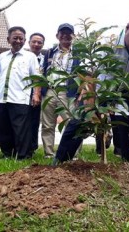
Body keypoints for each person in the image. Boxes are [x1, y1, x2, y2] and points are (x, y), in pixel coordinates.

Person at [54, 11, 129, 164]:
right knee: (80, 121)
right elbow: (89, 74)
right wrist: (90, 108)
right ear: (128, 28)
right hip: (102, 88)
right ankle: (58, 164)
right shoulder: (107, 39)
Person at [0, 26, 41, 159]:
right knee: (3, 128)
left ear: (25, 40)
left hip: (20, 98)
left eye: (21, 38)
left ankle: (22, 155)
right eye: (15, 38)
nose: (18, 41)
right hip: (2, 98)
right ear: (8, 39)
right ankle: (7, 153)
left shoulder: (30, 57)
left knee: (21, 129)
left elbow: (37, 78)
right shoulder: (2, 56)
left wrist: (36, 94)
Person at [41, 23, 80, 158]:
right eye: (62, 33)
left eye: (69, 33)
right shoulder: (50, 52)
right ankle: (49, 153)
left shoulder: (78, 53)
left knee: (71, 123)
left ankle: (72, 153)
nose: (65, 36)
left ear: (73, 36)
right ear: (57, 35)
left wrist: (79, 94)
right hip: (50, 91)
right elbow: (43, 72)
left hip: (68, 92)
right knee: (47, 124)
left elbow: (83, 75)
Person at [28, 33, 45, 155]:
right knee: (23, 121)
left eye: (39, 42)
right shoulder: (23, 57)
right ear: (29, 42)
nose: (36, 44)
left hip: (39, 94)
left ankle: (32, 147)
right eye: (34, 41)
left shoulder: (46, 59)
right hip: (22, 93)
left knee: (34, 121)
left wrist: (37, 93)